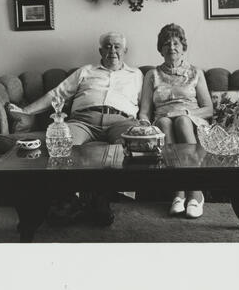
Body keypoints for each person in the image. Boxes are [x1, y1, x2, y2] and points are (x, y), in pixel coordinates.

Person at [9, 31, 142, 225]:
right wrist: (25, 111)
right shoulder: (85, 71)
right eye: (107, 46)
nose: (112, 50)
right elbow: (57, 94)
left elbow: (148, 102)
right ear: (100, 51)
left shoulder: (137, 75)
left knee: (125, 149)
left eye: (117, 46)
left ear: (125, 51)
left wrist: (146, 123)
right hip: (83, 120)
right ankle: (69, 198)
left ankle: (101, 200)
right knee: (62, 145)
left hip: (121, 121)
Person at [138, 23, 213, 218]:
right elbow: (144, 112)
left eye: (175, 43)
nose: (171, 47)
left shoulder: (196, 72)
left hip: (192, 120)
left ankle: (195, 192)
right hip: (163, 120)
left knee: (182, 121)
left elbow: (208, 109)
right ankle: (178, 192)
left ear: (183, 47)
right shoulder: (152, 75)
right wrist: (145, 126)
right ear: (160, 50)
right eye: (166, 44)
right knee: (163, 123)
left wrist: (185, 113)